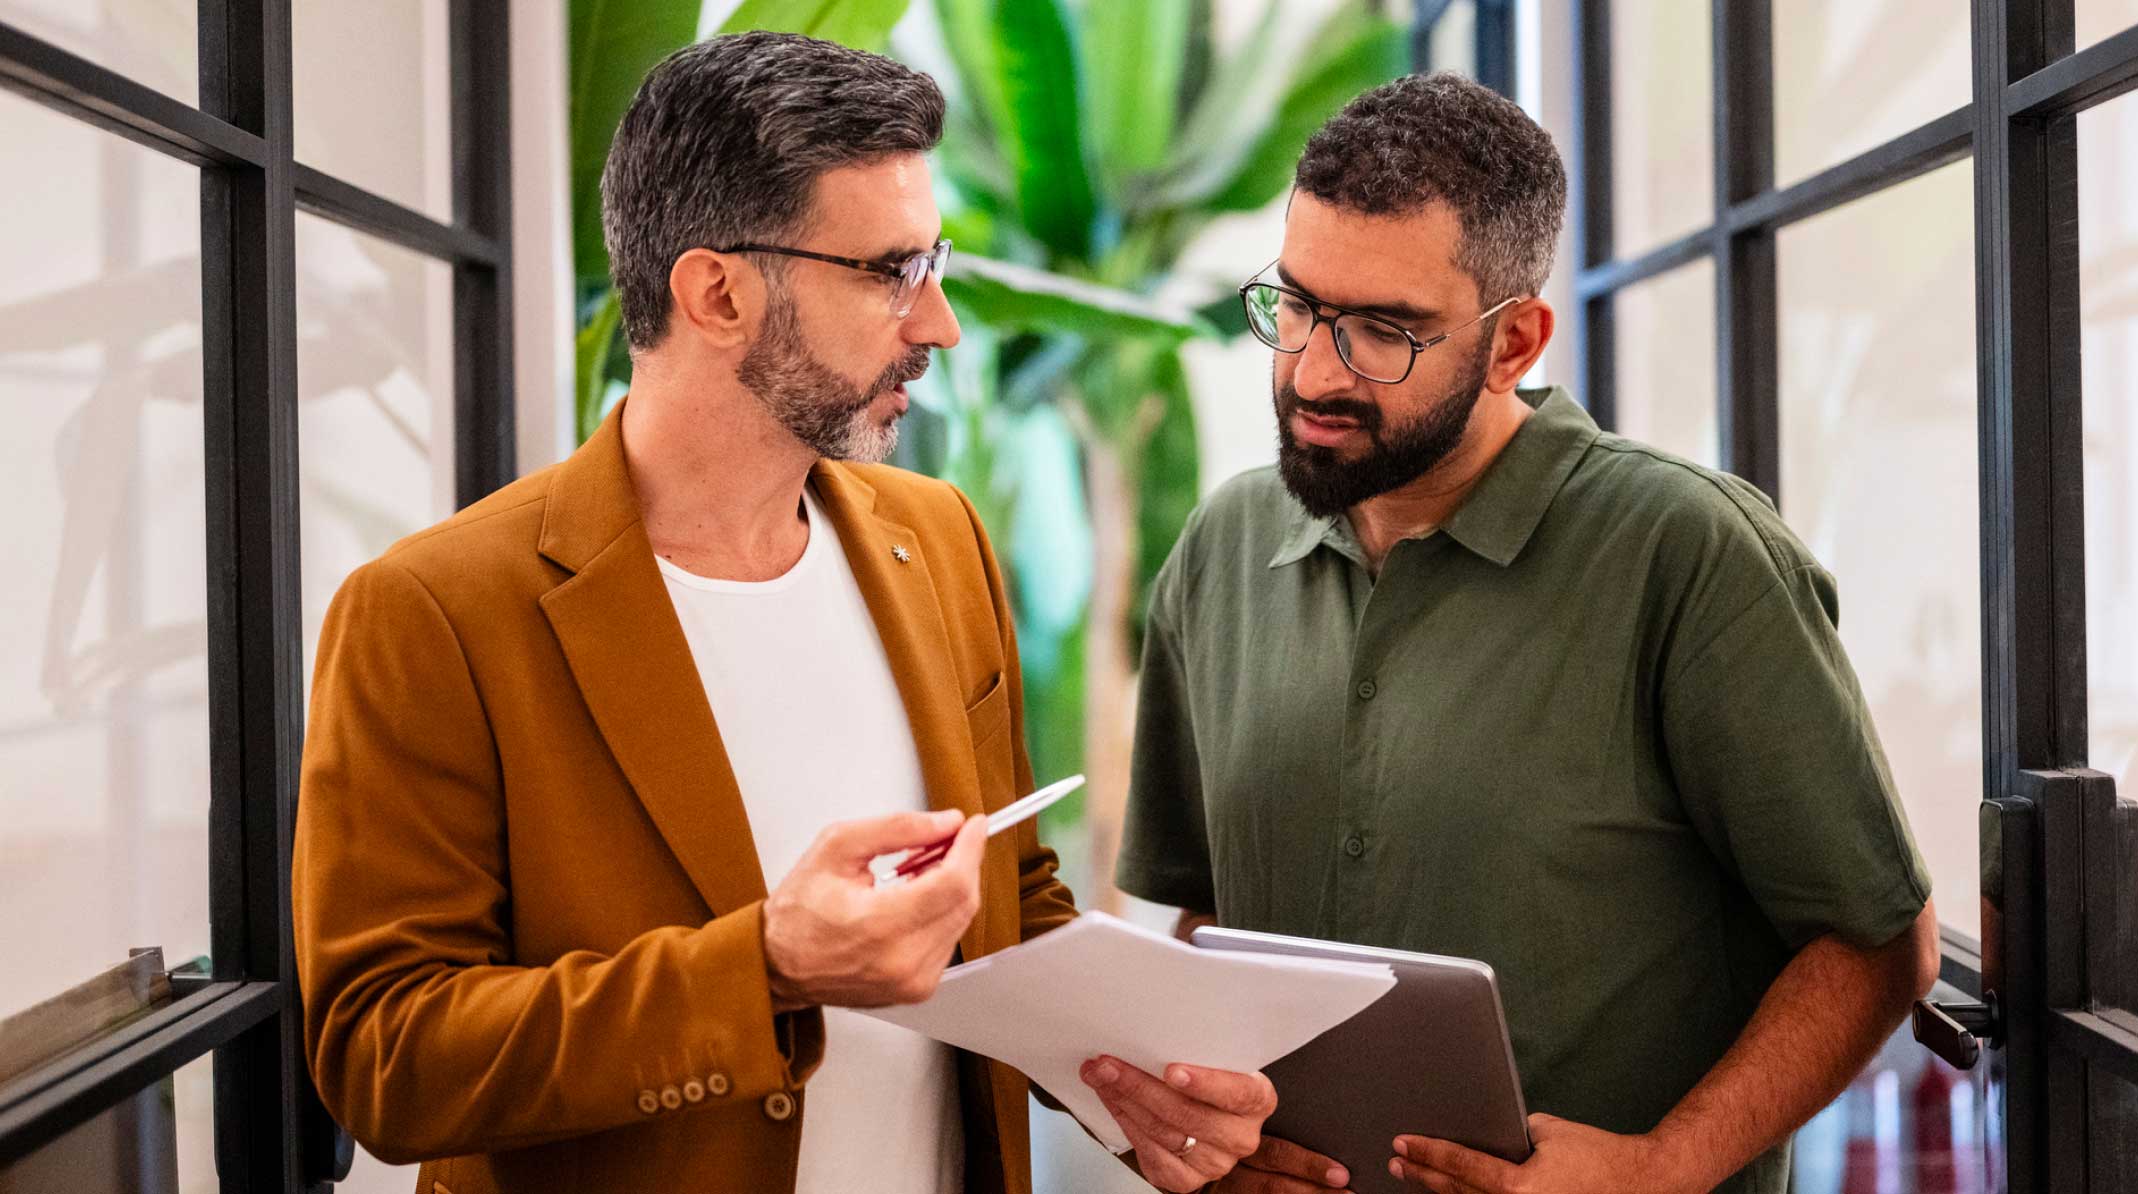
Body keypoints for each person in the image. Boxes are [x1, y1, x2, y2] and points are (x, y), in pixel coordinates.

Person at [294, 33, 1272, 1194]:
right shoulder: (433, 613)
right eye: (889, 272)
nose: (940, 324)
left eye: (936, 263)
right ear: (717, 292)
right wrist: (762, 967)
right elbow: (386, 1059)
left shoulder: (942, 541)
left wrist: (1130, 1072)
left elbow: (1014, 897)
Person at [1117, 74, 1939, 1194]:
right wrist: (1209, 1130)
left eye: (1383, 334)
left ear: (1515, 344)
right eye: (1298, 306)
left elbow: (1878, 945)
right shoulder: (1217, 551)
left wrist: (1661, 1169)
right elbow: (1207, 914)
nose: (1312, 370)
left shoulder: (1689, 554)